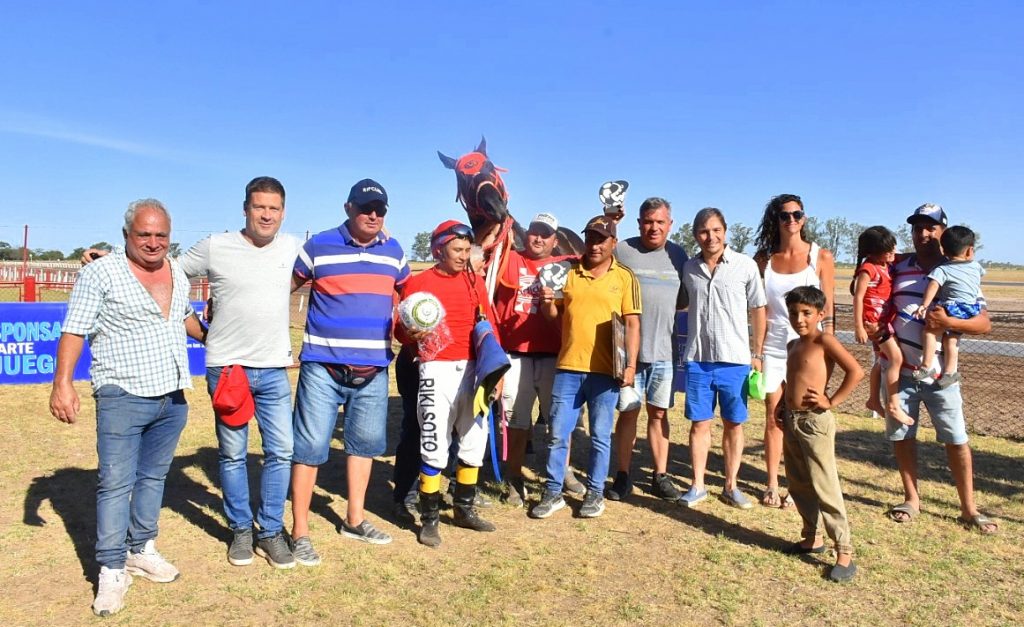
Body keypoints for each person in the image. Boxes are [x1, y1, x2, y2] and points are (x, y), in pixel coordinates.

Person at [49, 199, 205, 617]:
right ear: (126, 236)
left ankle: (141, 548)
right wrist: (62, 383)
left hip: (172, 395)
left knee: (153, 477)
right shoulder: (100, 272)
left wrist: (212, 337)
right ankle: (111, 569)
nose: (153, 243)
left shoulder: (176, 271)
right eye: (144, 234)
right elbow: (74, 328)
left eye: (161, 235)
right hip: (123, 394)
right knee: (116, 483)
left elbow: (184, 316)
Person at [177, 176, 302, 568]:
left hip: (274, 368)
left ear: (283, 212)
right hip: (228, 368)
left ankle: (270, 531)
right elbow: (167, 274)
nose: (267, 215)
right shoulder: (217, 246)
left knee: (281, 451)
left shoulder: (293, 247)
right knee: (232, 455)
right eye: (259, 207)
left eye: (274, 208)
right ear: (245, 209)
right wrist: (192, 324)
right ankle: (241, 531)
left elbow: (335, 268)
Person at [289, 179, 411, 564]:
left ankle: (354, 520)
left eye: (380, 210)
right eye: (365, 208)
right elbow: (283, 288)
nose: (373, 215)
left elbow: (411, 301)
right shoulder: (318, 246)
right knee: (308, 449)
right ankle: (300, 531)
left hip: (374, 370)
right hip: (323, 368)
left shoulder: (394, 252)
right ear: (348, 208)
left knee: (363, 446)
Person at [880, 203, 997, 533]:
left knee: (957, 440)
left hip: (941, 376)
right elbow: (869, 279)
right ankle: (911, 499)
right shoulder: (899, 266)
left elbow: (984, 323)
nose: (923, 234)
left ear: (943, 232)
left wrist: (949, 320)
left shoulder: (961, 270)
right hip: (899, 371)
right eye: (918, 228)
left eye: (931, 227)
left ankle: (968, 508)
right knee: (903, 437)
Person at [397, 220, 503, 547]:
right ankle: (429, 518)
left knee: (473, 439)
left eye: (465, 250)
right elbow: (401, 329)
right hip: (434, 369)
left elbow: (489, 324)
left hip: (474, 369)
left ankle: (463, 509)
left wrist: (496, 372)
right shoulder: (418, 283)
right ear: (439, 249)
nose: (462, 256)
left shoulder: (474, 282)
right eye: (456, 250)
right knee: (433, 441)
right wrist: (409, 336)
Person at [530, 215, 641, 520]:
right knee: (557, 434)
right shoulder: (569, 272)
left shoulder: (624, 277)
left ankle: (595, 493)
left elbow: (632, 323)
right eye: (590, 238)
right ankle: (553, 492)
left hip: (606, 372)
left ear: (613, 243)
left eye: (601, 239)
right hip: (568, 367)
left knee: (600, 435)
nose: (594, 245)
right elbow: (555, 317)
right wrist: (550, 303)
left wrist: (630, 365)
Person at [679, 208, 766, 509]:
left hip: (735, 360)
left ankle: (731, 486)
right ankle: (698, 485)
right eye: (704, 231)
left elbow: (758, 309)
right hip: (698, 360)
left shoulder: (745, 266)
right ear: (696, 235)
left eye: (716, 230)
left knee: (734, 424)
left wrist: (757, 353)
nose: (710, 236)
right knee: (700, 424)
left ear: (725, 231)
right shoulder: (689, 268)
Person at [752, 194, 835, 508]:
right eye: (784, 216)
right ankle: (772, 484)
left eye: (796, 215)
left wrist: (828, 349)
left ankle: (801, 484)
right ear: (776, 220)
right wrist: (757, 352)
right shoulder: (764, 259)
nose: (791, 220)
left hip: (810, 348)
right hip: (774, 347)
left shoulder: (820, 257)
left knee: (805, 418)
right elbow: (759, 308)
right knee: (775, 417)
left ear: (804, 218)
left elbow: (828, 308)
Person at [776, 286, 864, 583]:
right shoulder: (793, 345)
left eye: (806, 313)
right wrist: (782, 401)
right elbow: (792, 378)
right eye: (793, 313)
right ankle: (811, 537)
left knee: (824, 484)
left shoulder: (824, 340)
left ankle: (845, 551)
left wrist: (832, 400)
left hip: (815, 423)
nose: (799, 319)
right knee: (798, 482)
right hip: (791, 421)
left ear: (820, 314)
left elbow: (856, 371)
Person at [493, 212, 581, 506]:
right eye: (534, 232)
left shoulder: (566, 266)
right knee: (517, 421)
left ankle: (563, 472)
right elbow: (491, 242)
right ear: (525, 234)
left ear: (555, 240)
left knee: (559, 422)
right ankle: (514, 477)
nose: (539, 238)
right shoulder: (511, 259)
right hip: (515, 354)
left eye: (546, 234)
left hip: (552, 355)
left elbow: (602, 255)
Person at [608, 197, 688, 502]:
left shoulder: (679, 255)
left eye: (659, 222)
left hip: (664, 353)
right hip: (629, 355)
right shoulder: (623, 250)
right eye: (647, 222)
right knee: (628, 412)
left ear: (670, 224)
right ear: (639, 223)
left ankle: (659, 475)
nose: (653, 227)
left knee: (658, 414)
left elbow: (682, 301)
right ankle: (623, 475)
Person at [851, 226, 912, 425]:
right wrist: (859, 326)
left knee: (881, 361)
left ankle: (873, 400)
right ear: (871, 253)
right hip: (874, 323)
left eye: (892, 248)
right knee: (896, 358)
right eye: (887, 250)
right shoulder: (868, 269)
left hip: (885, 320)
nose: (892, 252)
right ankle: (893, 404)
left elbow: (901, 256)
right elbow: (858, 297)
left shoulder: (887, 264)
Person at [913, 225, 985, 388]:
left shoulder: (942, 269)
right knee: (952, 340)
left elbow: (933, 286)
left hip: (950, 307)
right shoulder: (976, 267)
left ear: (943, 251)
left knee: (930, 332)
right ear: (970, 251)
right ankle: (950, 373)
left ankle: (926, 366)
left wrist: (924, 305)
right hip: (970, 309)